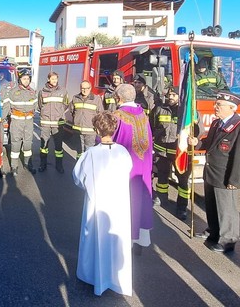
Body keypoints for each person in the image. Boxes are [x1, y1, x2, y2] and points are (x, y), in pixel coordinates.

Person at [73, 111, 132, 296]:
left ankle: (93, 276)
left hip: (97, 203)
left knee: (95, 238)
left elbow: (78, 178)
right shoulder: (123, 152)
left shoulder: (91, 153)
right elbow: (127, 172)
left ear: (97, 129)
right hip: (118, 203)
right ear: (114, 129)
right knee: (116, 239)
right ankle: (115, 278)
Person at [190, 91, 240, 253]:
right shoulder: (217, 123)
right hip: (211, 171)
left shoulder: (237, 126)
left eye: (219, 105)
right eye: (216, 103)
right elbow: (209, 143)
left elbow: (238, 156)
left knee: (226, 209)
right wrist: (197, 143)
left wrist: (234, 180)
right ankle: (214, 231)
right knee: (211, 205)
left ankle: (228, 239)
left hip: (225, 175)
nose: (215, 107)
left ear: (232, 108)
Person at [150, 86, 204, 220]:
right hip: (162, 151)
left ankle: (182, 207)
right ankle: (162, 200)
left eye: (174, 95)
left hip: (181, 153)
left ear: (180, 97)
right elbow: (151, 125)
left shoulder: (189, 113)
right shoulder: (159, 109)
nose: (170, 97)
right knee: (162, 179)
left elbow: (199, 131)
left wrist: (194, 139)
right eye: (169, 95)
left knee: (183, 182)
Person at [113, 83, 153, 248]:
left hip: (125, 168)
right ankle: (140, 238)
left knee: (126, 201)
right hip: (143, 165)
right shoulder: (143, 114)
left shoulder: (117, 115)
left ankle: (126, 239)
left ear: (119, 98)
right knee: (141, 199)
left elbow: (108, 139)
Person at [8, 68, 37, 176]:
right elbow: (8, 107)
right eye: (24, 79)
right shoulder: (13, 92)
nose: (26, 81)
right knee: (15, 144)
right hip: (17, 122)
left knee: (28, 143)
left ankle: (28, 163)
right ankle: (14, 166)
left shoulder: (32, 92)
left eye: (28, 79)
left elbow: (35, 106)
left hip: (29, 121)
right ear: (20, 79)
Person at [38, 71, 69, 173]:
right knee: (44, 146)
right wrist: (44, 112)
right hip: (46, 122)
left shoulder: (63, 91)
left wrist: (59, 113)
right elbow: (40, 105)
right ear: (48, 79)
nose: (54, 81)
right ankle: (43, 165)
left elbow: (66, 104)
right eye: (52, 79)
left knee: (58, 147)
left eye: (56, 79)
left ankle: (59, 166)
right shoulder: (42, 92)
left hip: (57, 123)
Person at [69, 80, 104, 159]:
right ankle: (79, 168)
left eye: (87, 88)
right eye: (82, 88)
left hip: (90, 131)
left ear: (90, 88)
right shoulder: (75, 98)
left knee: (89, 151)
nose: (84, 90)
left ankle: (88, 169)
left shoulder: (96, 99)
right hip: (78, 131)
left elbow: (100, 114)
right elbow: (72, 111)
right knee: (79, 152)